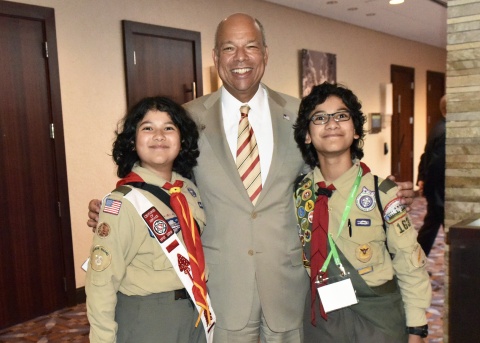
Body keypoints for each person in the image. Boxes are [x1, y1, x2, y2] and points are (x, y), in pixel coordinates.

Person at [88, 13, 415, 342]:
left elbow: (330, 167)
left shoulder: (298, 114)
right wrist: (126, 207)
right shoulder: (185, 119)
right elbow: (164, 182)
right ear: (216, 58)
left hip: (287, 286)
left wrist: (377, 190)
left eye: (251, 47)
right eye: (229, 48)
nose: (240, 58)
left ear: (265, 54)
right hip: (221, 288)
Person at [293, 82, 431, 343]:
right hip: (323, 321)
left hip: (377, 319)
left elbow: (408, 262)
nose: (332, 124)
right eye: (320, 118)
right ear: (307, 135)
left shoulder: (383, 194)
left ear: (355, 130)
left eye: (341, 116)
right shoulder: (299, 194)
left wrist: (416, 327)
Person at [85, 96, 214, 343]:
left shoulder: (188, 189)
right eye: (147, 128)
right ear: (133, 141)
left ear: (182, 139)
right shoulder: (121, 202)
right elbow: (101, 283)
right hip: (148, 317)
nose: (159, 135)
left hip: (195, 311)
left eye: (169, 128)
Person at [416, 95, 446, 256]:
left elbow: (424, 156)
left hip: (435, 189)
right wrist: (426, 183)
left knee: (430, 226)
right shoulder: (446, 131)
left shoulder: (438, 127)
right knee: (442, 228)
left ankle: (413, 262)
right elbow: (435, 164)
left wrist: (421, 178)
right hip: (439, 190)